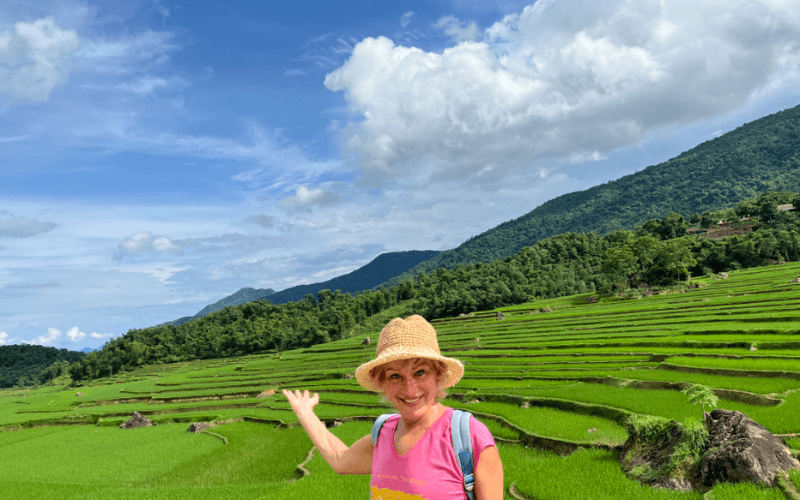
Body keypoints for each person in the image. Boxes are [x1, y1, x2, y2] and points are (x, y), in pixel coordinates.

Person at [283, 314, 504, 500]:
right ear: (382, 384)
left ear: (439, 375)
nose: (410, 388)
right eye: (395, 376)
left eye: (420, 372)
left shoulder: (468, 437)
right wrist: (304, 413)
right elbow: (341, 460)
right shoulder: (383, 434)